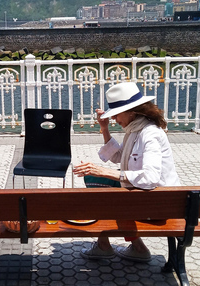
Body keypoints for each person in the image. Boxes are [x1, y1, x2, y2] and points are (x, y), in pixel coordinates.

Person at [73, 82, 181, 262]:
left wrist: (105, 172)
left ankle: (105, 245)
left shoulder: (150, 134)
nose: (114, 118)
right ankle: (129, 246)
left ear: (132, 111)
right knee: (94, 178)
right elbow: (119, 156)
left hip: (158, 205)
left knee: (102, 188)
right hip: (157, 199)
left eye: (116, 114)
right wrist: (105, 128)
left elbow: (150, 178)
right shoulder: (136, 129)